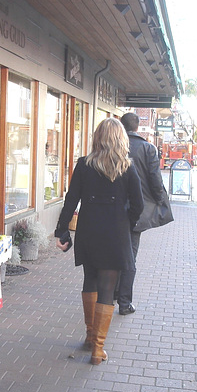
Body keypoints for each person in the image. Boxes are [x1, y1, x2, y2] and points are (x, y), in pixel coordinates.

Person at [54, 118, 143, 365]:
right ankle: (98, 349)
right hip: (115, 234)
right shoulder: (127, 167)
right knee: (107, 289)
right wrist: (128, 222)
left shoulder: (83, 165)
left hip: (88, 232)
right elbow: (139, 205)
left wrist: (61, 231)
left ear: (98, 138)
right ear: (121, 139)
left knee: (89, 280)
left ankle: (90, 336)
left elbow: (71, 200)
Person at [114, 113, 170, 315]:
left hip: (113, 210)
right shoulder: (147, 148)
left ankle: (112, 292)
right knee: (130, 255)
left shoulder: (115, 145)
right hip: (137, 211)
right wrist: (159, 200)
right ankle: (125, 302)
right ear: (137, 127)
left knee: (113, 253)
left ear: (121, 125)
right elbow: (155, 179)